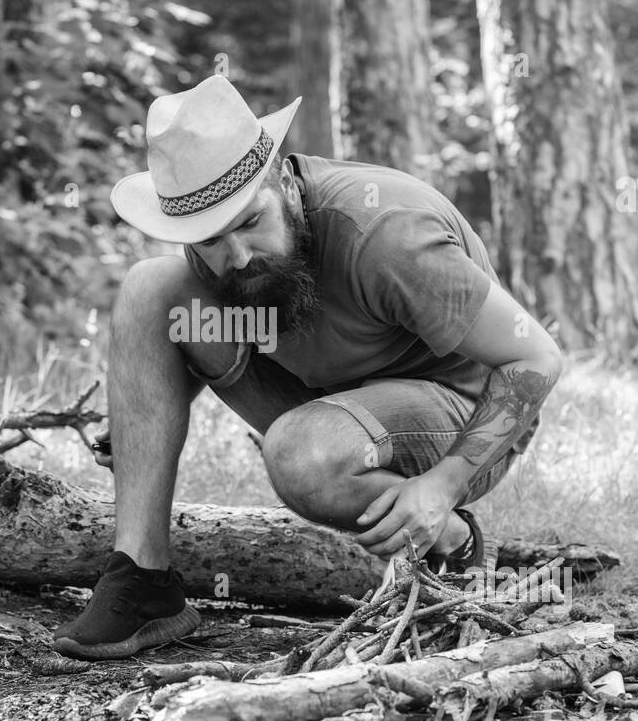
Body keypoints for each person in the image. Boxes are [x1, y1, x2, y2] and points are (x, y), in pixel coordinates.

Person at [52, 75, 562, 660]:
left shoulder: (388, 234)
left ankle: (452, 541)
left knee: (302, 453)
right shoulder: (227, 255)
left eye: (249, 222)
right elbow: (191, 327)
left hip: (457, 412)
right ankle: (143, 583)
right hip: (329, 398)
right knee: (151, 289)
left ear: (286, 185)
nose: (238, 256)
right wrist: (145, 406)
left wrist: (441, 488)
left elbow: (536, 357)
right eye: (209, 239)